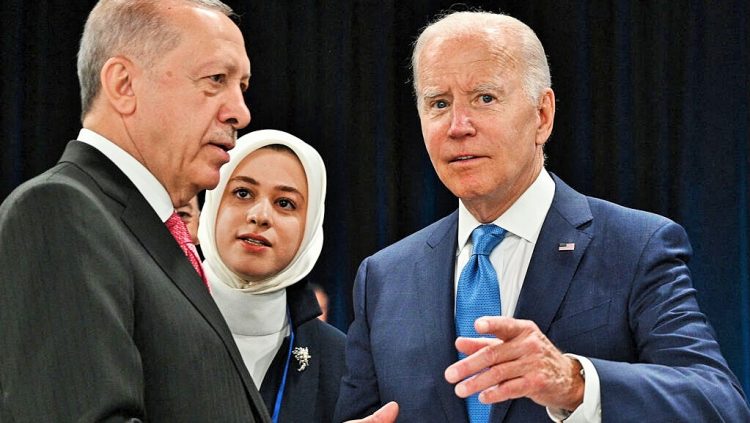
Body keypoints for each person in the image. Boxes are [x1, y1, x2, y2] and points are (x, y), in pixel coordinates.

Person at [334, 10, 750, 423]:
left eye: (485, 98)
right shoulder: (383, 277)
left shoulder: (635, 246)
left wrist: (574, 382)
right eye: (439, 103)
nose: (458, 126)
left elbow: (718, 404)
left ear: (542, 115)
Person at [0, 0, 271, 421]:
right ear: (123, 85)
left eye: (242, 87)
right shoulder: (59, 211)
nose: (241, 112)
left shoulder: (145, 230)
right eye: (216, 79)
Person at [198, 129, 346, 422]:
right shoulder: (148, 322)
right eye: (242, 193)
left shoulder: (341, 361)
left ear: (310, 228)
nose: (260, 215)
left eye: (285, 203)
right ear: (213, 203)